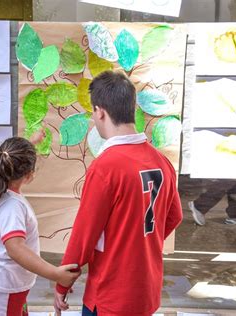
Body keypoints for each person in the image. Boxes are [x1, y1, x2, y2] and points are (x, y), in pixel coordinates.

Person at [53, 71, 183, 316]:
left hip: (110, 294)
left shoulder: (105, 167)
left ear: (100, 111)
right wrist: (140, 242)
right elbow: (174, 216)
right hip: (146, 290)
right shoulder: (161, 161)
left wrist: (62, 283)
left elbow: (83, 237)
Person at [0, 137, 80, 316]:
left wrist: (31, 144)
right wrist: (55, 274)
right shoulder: (11, 206)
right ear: (29, 175)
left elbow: (10, 156)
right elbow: (15, 248)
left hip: (4, 286)